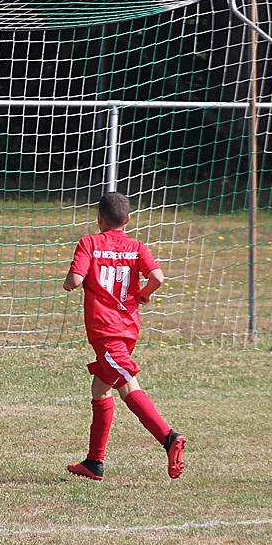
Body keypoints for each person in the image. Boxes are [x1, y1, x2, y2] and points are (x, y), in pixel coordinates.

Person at [62, 192, 185, 481]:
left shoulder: (89, 242)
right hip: (128, 327)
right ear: (128, 220)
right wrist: (143, 294)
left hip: (106, 330)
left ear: (99, 219)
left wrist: (69, 283)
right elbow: (157, 277)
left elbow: (75, 280)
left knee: (127, 384)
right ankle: (94, 462)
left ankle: (168, 437)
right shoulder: (136, 247)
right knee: (100, 389)